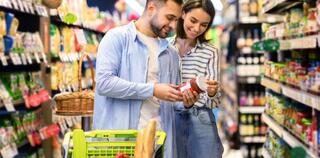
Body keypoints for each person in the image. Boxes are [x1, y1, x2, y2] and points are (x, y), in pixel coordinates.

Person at [93, 0, 198, 157]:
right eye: (170, 17)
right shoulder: (116, 38)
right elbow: (104, 83)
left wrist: (186, 103)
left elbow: (173, 104)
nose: (173, 26)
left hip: (159, 145)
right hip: (119, 145)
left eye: (177, 20)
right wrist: (152, 90)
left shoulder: (171, 53)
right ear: (151, 8)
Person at [172, 0, 224, 158]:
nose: (196, 29)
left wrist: (213, 92)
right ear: (183, 14)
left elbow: (214, 102)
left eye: (204, 25)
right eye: (193, 21)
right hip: (171, 119)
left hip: (200, 119)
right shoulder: (165, 48)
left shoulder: (211, 51)